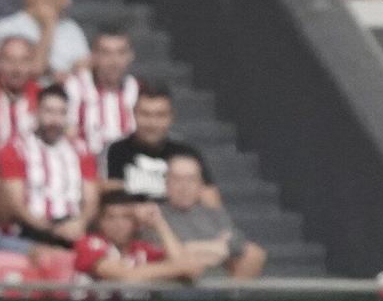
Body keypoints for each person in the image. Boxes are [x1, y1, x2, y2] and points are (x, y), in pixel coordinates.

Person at [0, 84, 98, 247]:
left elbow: (91, 200)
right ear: (36, 112)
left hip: (74, 227)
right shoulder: (16, 149)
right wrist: (51, 229)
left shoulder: (81, 150)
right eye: (49, 111)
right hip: (33, 230)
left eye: (61, 113)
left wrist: (80, 222)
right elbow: (16, 204)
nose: (55, 120)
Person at [161, 153, 266, 279]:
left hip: (219, 279)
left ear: (200, 184)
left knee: (253, 253)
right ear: (166, 183)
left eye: (191, 179)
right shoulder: (155, 215)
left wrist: (218, 249)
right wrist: (216, 248)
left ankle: (235, 292)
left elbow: (237, 241)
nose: (184, 187)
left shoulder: (212, 212)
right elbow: (167, 252)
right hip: (174, 281)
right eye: (177, 179)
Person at [104, 83, 214, 202]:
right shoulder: (117, 150)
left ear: (171, 117)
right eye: (145, 114)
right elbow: (108, 195)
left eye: (160, 115)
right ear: (134, 114)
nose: (152, 123)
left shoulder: (186, 154)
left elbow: (211, 201)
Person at [71, 191, 199, 285]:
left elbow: (189, 269)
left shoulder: (141, 248)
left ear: (136, 222)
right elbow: (126, 276)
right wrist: (177, 268)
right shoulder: (89, 243)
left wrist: (159, 223)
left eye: (126, 217)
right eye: (111, 217)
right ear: (100, 222)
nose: (118, 224)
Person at [0, 0, 88, 77]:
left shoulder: (71, 28)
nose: (67, 0)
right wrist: (48, 27)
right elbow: (33, 72)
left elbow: (84, 68)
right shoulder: (8, 27)